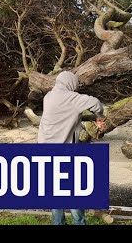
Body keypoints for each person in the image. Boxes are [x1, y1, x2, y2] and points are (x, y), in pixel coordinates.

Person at [38, 71, 105, 225]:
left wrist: (85, 117)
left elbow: (66, 115)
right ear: (71, 84)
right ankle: (79, 222)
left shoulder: (49, 97)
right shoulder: (72, 98)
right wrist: (99, 116)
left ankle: (58, 222)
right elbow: (95, 103)